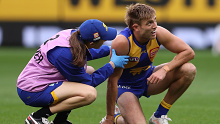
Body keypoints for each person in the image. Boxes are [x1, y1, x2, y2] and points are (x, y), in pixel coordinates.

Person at [17, 19, 129, 124]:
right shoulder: (65, 53)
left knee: (89, 70)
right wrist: (112, 65)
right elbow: (88, 83)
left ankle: (60, 121)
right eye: (104, 39)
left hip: (39, 81)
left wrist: (112, 50)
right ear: (91, 43)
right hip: (32, 91)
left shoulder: (73, 35)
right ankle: (38, 116)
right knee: (89, 93)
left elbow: (87, 53)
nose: (106, 40)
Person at [100, 3, 197, 124]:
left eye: (155, 20)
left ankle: (159, 115)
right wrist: (109, 118)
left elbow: (189, 52)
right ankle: (115, 117)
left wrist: (165, 69)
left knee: (189, 69)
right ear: (136, 27)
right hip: (125, 87)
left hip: (147, 79)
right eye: (149, 23)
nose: (155, 26)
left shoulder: (159, 33)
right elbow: (112, 81)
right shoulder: (122, 42)